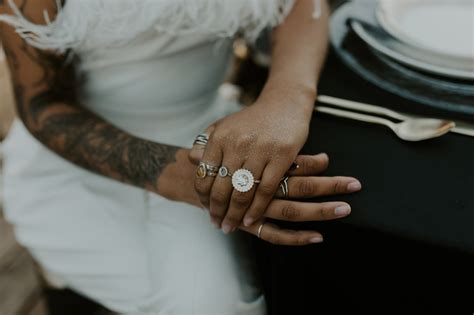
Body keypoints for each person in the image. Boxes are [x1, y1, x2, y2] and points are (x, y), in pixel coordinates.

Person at [0, 0, 362, 314]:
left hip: (210, 130)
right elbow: (41, 105)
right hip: (84, 158)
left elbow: (301, 6)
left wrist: (286, 99)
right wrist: (193, 179)